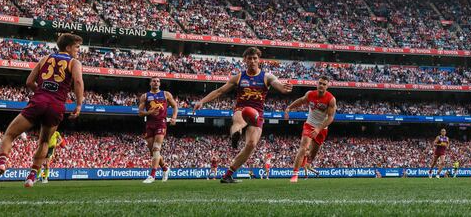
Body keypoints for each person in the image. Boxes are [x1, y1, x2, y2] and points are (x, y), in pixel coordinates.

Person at [0, 33, 84, 187]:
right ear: (68, 47)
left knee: (9, 134)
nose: (78, 51)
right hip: (56, 105)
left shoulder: (45, 59)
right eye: (77, 47)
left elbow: (29, 82)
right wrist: (79, 104)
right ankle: (31, 177)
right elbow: (78, 81)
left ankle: (2, 163)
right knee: (44, 142)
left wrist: (42, 92)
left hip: (39, 101)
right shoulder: (74, 63)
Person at [193, 47, 292, 183]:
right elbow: (220, 91)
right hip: (242, 108)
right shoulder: (239, 77)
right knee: (239, 122)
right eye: (249, 58)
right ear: (245, 60)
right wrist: (202, 101)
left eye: (255, 58)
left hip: (258, 113)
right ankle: (236, 136)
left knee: (251, 144)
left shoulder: (266, 77)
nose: (252, 61)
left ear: (259, 60)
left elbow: (278, 85)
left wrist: (284, 88)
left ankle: (228, 174)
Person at [284, 75, 337, 183]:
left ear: (327, 86)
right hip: (309, 124)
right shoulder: (310, 94)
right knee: (303, 147)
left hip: (322, 127)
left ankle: (307, 161)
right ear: (317, 84)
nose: (321, 85)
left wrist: (318, 129)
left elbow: (331, 118)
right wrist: (289, 107)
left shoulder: (331, 99)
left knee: (312, 154)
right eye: (320, 83)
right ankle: (295, 174)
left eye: (324, 84)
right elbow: (301, 101)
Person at [138, 77, 178, 183]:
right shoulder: (145, 96)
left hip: (161, 123)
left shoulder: (166, 94)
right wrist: (149, 113)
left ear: (160, 83)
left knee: (156, 149)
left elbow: (175, 106)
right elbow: (140, 112)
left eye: (158, 81)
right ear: (150, 83)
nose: (156, 82)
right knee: (153, 153)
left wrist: (174, 117)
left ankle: (152, 175)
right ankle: (165, 168)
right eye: (154, 81)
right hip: (149, 124)